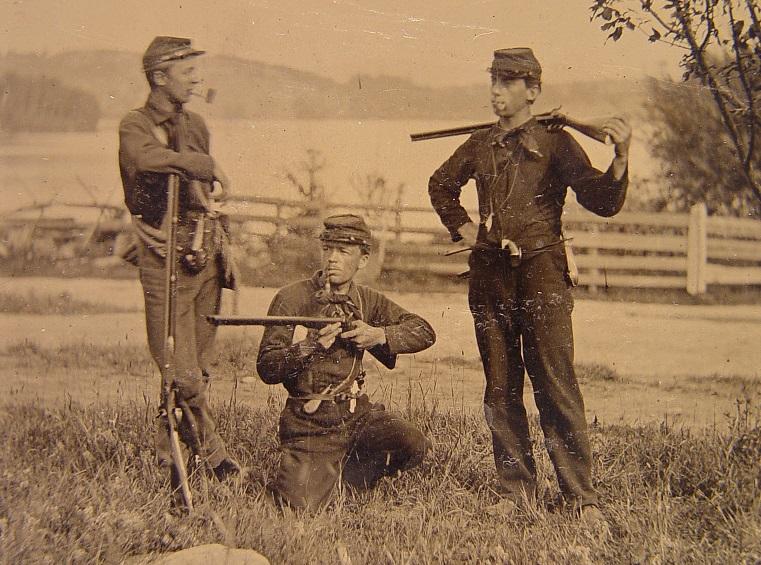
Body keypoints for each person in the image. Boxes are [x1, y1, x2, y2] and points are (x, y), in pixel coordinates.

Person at [428, 48, 632, 524]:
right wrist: (466, 232)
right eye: (493, 81)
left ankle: (581, 499)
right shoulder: (480, 144)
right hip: (489, 277)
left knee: (557, 386)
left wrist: (621, 156)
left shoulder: (556, 142)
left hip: (543, 276)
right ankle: (515, 491)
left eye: (507, 82)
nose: (496, 91)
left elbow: (601, 201)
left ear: (532, 91)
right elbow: (440, 184)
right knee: (500, 387)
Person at [118, 36, 241, 493]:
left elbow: (199, 187)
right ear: (159, 77)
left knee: (199, 367)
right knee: (179, 368)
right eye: (187, 71)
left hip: (201, 254)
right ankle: (216, 457)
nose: (196, 79)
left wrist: (209, 205)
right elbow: (147, 160)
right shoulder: (135, 126)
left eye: (196, 70)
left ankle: (167, 452)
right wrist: (200, 163)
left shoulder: (197, 124)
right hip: (162, 257)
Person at [256, 214, 436, 511]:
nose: (332, 259)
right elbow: (267, 367)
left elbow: (423, 330)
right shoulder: (291, 298)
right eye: (327, 249)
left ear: (363, 260)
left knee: (412, 442)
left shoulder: (368, 301)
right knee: (297, 508)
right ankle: (321, 479)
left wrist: (378, 335)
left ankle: (344, 480)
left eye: (343, 252)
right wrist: (309, 346)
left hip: (356, 415)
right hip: (310, 421)